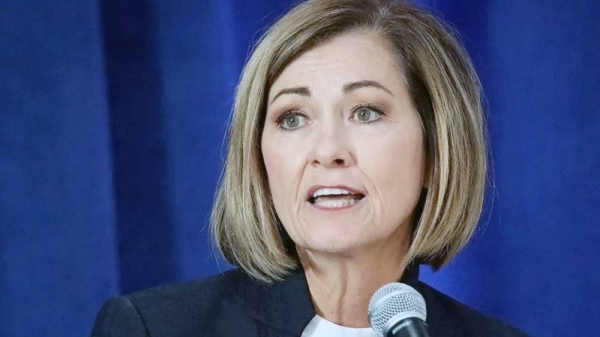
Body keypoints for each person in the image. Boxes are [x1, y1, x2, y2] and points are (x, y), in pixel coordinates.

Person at [91, 0, 528, 336]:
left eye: (366, 112)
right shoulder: (154, 329)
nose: (327, 150)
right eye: (292, 118)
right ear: (259, 160)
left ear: (436, 150)